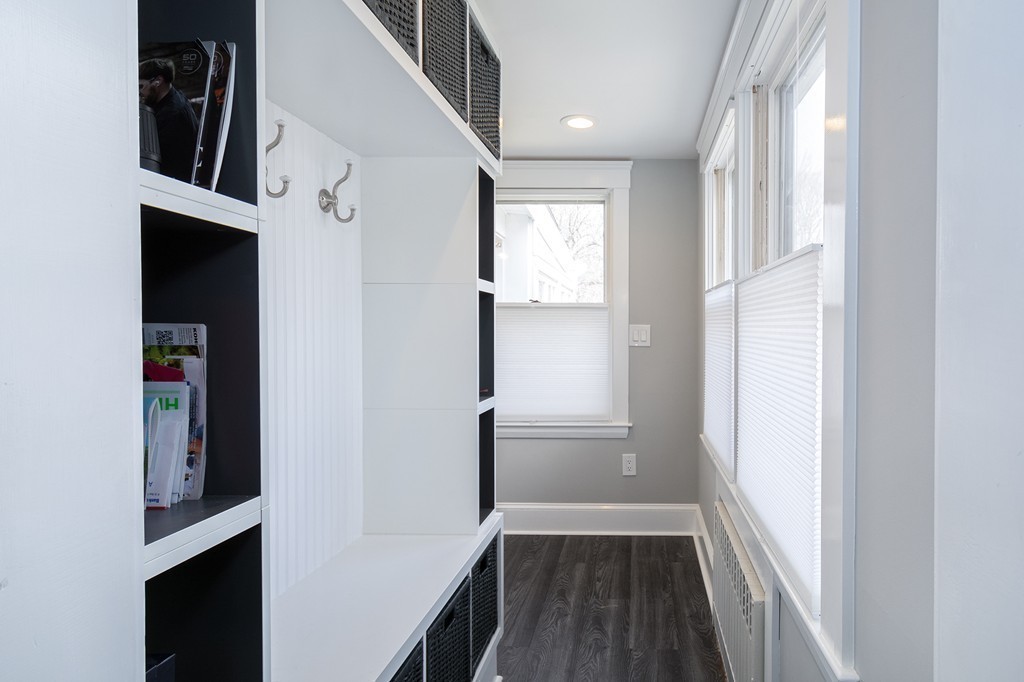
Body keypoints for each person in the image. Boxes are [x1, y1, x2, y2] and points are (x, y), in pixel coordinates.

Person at [139, 58, 199, 183]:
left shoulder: (172, 114)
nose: (139, 92)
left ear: (158, 81)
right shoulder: (171, 98)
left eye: (141, 86)